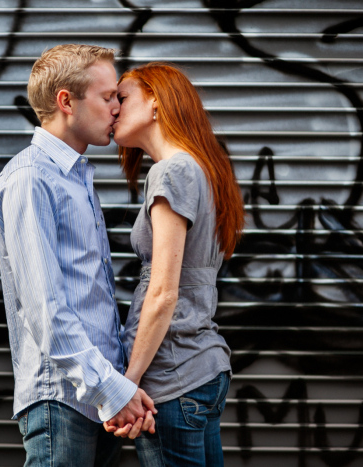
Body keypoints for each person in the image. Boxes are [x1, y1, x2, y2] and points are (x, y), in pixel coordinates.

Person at [0, 44, 156, 467]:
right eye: (108, 97)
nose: (118, 108)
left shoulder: (76, 176)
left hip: (97, 401)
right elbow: (47, 311)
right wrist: (112, 390)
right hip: (62, 401)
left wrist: (114, 390)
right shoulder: (32, 178)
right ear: (66, 101)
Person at [105, 62, 245, 466]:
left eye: (122, 97)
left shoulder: (171, 172)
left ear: (154, 103)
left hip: (172, 374)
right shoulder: (201, 169)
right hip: (202, 367)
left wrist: (126, 386)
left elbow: (164, 292)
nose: (113, 108)